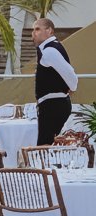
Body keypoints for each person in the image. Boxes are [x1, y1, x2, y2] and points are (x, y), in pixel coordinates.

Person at [32, 16, 78, 145]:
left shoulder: (50, 51)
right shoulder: (50, 49)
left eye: (37, 29)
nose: (33, 33)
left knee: (45, 146)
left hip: (53, 105)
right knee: (51, 145)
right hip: (53, 104)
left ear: (49, 31)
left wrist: (72, 87)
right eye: (33, 30)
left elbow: (70, 74)